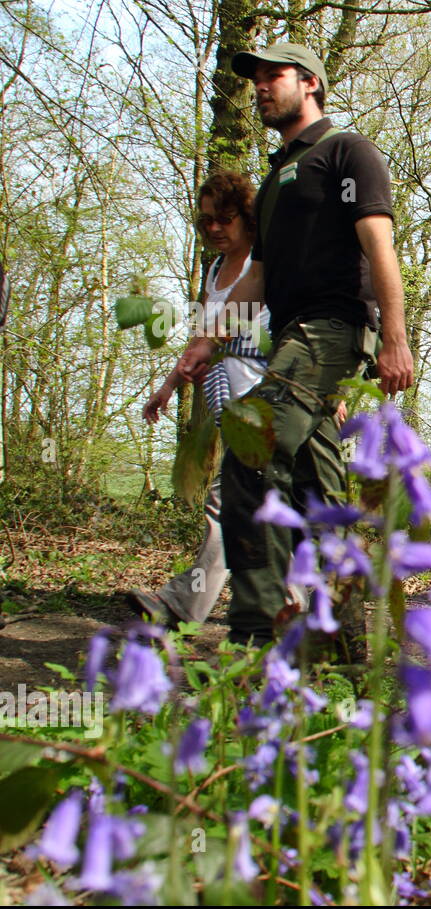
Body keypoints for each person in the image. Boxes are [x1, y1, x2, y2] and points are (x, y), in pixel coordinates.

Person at [177, 43, 414, 646]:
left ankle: (255, 631)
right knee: (320, 492)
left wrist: (394, 337)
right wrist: (207, 339)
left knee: (250, 451)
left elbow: (379, 247)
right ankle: (343, 643)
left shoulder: (345, 152)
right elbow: (257, 275)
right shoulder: (274, 180)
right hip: (291, 334)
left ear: (310, 83)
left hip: (329, 329)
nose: (259, 85)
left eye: (272, 74)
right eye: (255, 77)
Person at [127, 170, 270, 628]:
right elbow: (201, 342)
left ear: (246, 218)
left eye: (223, 219)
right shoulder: (214, 271)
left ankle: (183, 605)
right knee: (254, 509)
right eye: (205, 220)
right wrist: (169, 386)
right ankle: (295, 614)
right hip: (224, 405)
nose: (212, 229)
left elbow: (288, 336)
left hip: (261, 403)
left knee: (229, 502)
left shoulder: (264, 268)